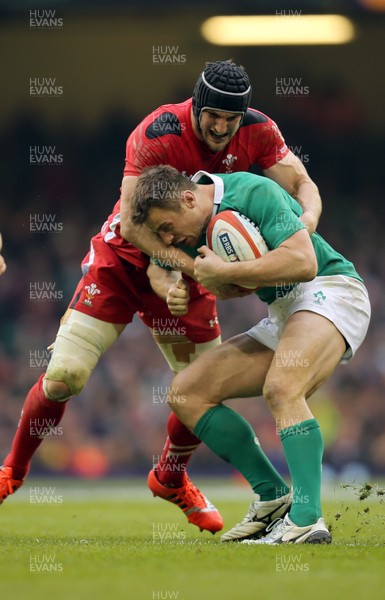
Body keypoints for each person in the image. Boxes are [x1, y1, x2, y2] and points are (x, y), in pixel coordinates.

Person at [0, 60, 319, 538]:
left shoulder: (257, 129)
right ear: (196, 104)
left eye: (231, 119)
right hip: (124, 261)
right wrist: (189, 270)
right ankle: (12, 471)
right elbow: (135, 226)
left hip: (191, 264)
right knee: (65, 376)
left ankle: (170, 476)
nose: (221, 127)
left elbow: (302, 184)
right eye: (213, 115)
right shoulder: (159, 131)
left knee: (203, 391)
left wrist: (306, 226)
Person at [129, 164, 371, 544]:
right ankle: (272, 497)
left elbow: (304, 263)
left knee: (282, 387)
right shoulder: (184, 227)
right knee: (186, 393)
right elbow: (160, 268)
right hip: (283, 312)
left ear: (189, 198)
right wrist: (172, 285)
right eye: (161, 233)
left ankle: (307, 517)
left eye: (167, 228)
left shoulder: (253, 192)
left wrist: (227, 273)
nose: (168, 238)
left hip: (331, 289)